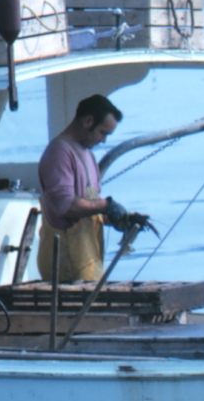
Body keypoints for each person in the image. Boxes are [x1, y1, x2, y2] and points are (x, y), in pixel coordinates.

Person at [36, 94, 132, 282]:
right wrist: (107, 205)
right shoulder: (59, 152)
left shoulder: (88, 155)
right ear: (88, 121)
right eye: (103, 132)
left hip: (86, 264)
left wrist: (120, 218)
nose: (104, 140)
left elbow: (91, 213)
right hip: (64, 268)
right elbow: (65, 206)